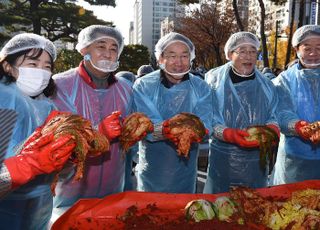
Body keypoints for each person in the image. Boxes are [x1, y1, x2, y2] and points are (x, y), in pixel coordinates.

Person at [51, 25, 133, 219]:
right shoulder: (61, 85)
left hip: (113, 183)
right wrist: (98, 133)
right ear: (84, 49)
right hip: (71, 188)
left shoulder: (125, 88)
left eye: (114, 48)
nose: (107, 53)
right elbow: (55, 137)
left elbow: (132, 130)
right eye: (100, 46)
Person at [0, 33, 75, 229]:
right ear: (8, 66)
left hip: (40, 201)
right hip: (7, 205)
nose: (41, 72)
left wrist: (69, 158)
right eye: (32, 64)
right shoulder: (5, 98)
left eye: (47, 66)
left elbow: (55, 166)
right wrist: (25, 165)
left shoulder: (45, 105)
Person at [132, 32, 212, 193]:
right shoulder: (144, 85)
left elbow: (205, 124)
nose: (179, 62)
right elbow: (145, 123)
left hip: (186, 171)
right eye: (172, 55)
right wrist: (182, 128)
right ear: (160, 59)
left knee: (183, 211)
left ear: (191, 58)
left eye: (184, 56)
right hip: (152, 168)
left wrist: (196, 130)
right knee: (149, 211)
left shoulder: (201, 87)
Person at [204, 32, 280, 194]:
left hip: (256, 163)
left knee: (253, 207)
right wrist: (226, 133)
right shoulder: (214, 82)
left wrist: (273, 129)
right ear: (230, 54)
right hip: (223, 160)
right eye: (242, 51)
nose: (248, 56)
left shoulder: (267, 85)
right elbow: (206, 117)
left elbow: (273, 114)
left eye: (253, 51)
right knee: (220, 209)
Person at [271, 25, 320, 185]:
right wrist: (298, 126)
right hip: (294, 160)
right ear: (297, 49)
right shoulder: (284, 80)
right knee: (291, 206)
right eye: (307, 48)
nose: (314, 54)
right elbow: (281, 112)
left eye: (319, 48)